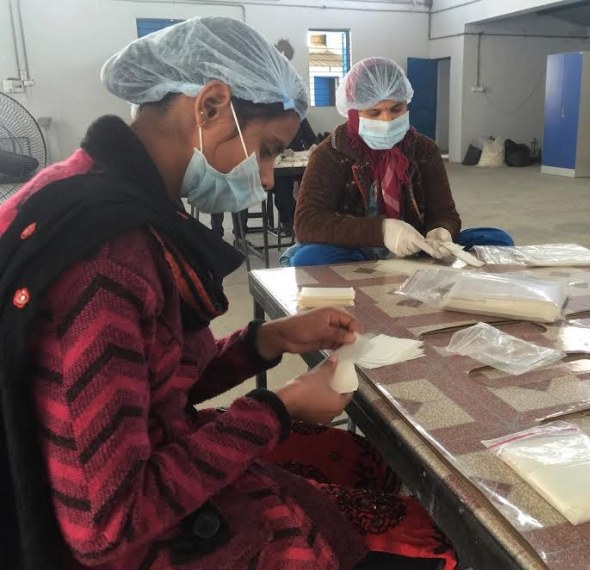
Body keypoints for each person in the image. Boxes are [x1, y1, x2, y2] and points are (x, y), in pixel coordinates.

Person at [0, 18, 456, 570]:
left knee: (366, 465)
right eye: (265, 150)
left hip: (139, 468)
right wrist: (277, 408)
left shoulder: (79, 189)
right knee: (431, 541)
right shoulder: (106, 261)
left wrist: (264, 341)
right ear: (211, 106)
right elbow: (108, 525)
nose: (267, 179)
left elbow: (150, 381)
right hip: (133, 542)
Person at [281, 57, 513, 267]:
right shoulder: (331, 153)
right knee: (308, 258)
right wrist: (381, 230)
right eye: (374, 112)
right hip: (356, 250)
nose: (387, 119)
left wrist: (441, 230)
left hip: (419, 246)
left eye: (396, 109)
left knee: (498, 240)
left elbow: (445, 212)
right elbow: (307, 223)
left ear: (406, 104)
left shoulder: (424, 150)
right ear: (353, 112)